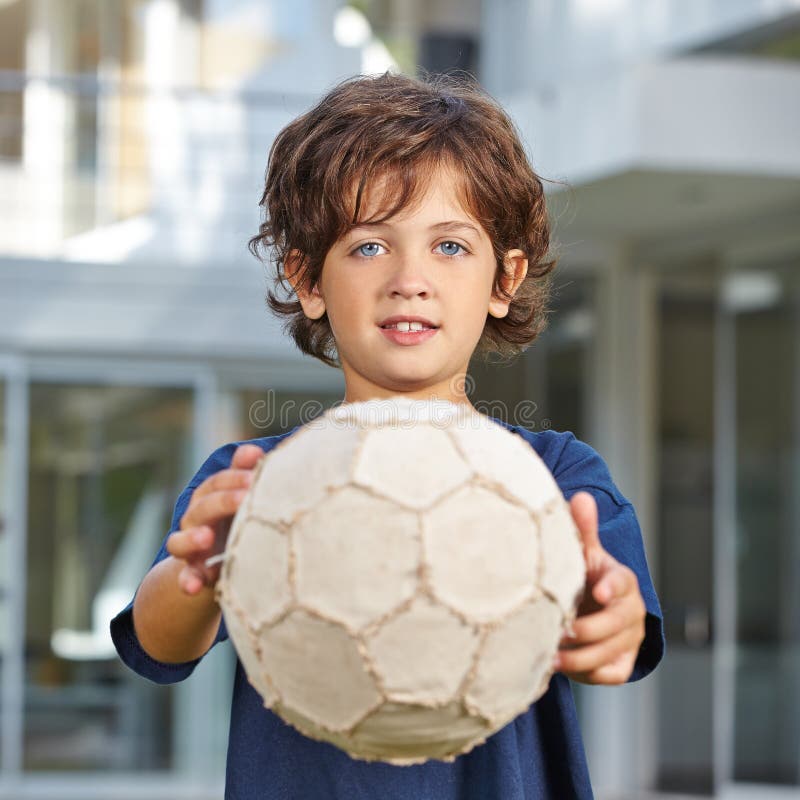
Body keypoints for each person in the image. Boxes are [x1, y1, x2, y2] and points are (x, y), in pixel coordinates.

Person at [111, 71, 664, 799]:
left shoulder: (554, 476)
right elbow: (158, 645)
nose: (410, 278)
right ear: (308, 278)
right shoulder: (260, 481)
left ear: (505, 279)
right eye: (370, 247)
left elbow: (614, 629)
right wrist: (201, 572)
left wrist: (604, 610)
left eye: (450, 247)